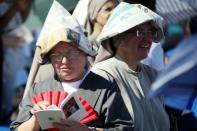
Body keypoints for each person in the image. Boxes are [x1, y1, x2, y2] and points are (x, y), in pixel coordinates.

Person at [10, 1, 132, 131]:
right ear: (49, 59)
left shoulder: (105, 89)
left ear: (85, 54)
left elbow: (125, 128)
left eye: (72, 53)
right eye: (56, 55)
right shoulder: (37, 90)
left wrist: (87, 130)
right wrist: (35, 119)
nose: (64, 61)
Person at [91, 2, 170, 131]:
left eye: (150, 32)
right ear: (120, 37)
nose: (148, 39)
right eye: (140, 32)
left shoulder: (152, 75)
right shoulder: (103, 75)